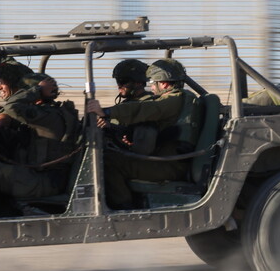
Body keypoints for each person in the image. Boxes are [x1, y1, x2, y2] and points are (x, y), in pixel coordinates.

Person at [86, 58, 201, 209]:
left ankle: (124, 209)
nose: (151, 86)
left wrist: (107, 112)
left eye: (153, 83)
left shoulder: (173, 99)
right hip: (167, 160)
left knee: (108, 162)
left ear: (164, 83)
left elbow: (146, 108)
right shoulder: (178, 99)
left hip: (169, 165)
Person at [0, 66, 79, 217]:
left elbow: (12, 107)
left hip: (45, 181)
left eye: (23, 92)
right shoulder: (44, 114)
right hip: (41, 177)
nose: (21, 95)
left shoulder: (48, 115)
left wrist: (37, 90)